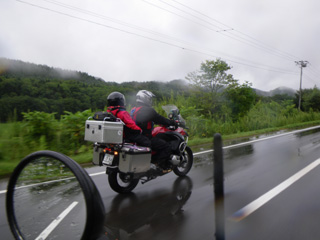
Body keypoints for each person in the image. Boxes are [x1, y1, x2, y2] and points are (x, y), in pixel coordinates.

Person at [131, 90, 177, 166]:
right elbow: (161, 119)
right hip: (145, 137)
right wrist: (172, 122)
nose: (150, 101)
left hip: (135, 137)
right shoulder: (149, 110)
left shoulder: (134, 110)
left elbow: (143, 121)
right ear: (145, 98)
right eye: (150, 99)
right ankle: (158, 165)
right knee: (166, 147)